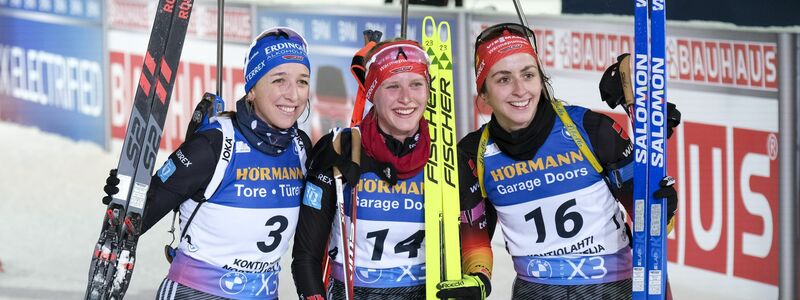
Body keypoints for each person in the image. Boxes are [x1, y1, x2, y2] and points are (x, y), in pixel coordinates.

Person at [435, 23, 680, 300]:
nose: (519, 90)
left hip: (612, 288)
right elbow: (475, 236)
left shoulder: (589, 129)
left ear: (541, 79)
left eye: (528, 75)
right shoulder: (473, 154)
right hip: (535, 291)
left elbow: (651, 222)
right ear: (483, 93)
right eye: (503, 79)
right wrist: (478, 279)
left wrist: (662, 206)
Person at [102, 27, 312, 299]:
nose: (293, 95)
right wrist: (127, 193)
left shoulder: (301, 148)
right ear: (252, 90)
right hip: (196, 292)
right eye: (278, 80)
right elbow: (136, 219)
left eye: (302, 81)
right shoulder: (215, 144)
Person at [291, 39, 434, 300]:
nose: (406, 97)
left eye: (416, 84)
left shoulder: (445, 158)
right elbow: (305, 257)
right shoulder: (339, 148)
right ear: (372, 93)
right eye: (392, 85)